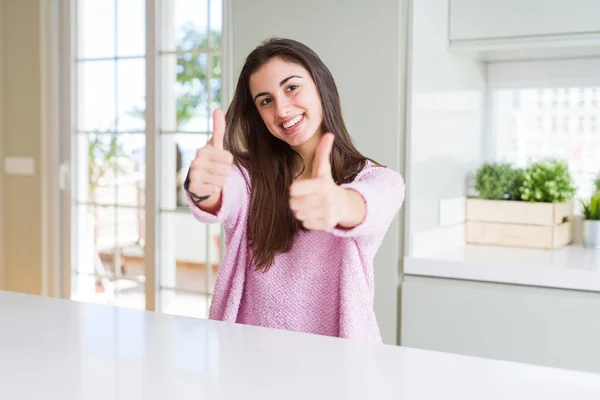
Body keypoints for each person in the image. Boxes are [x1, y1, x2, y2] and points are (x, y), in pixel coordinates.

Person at [185, 37, 405, 342]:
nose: (282, 109)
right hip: (247, 364)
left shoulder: (380, 181)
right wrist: (202, 189)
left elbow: (366, 205)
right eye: (266, 100)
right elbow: (221, 193)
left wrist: (337, 204)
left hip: (336, 372)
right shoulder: (249, 178)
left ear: (320, 84)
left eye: (291, 88)